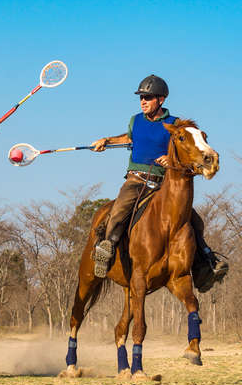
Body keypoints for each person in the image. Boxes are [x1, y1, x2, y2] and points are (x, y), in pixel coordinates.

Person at [91, 74, 228, 292]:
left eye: (148, 97)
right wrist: (106, 141)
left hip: (164, 182)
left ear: (161, 100)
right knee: (118, 210)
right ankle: (106, 252)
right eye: (141, 97)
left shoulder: (174, 124)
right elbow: (129, 138)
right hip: (137, 178)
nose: (143, 101)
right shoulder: (135, 120)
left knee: (195, 221)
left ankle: (206, 264)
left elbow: (182, 149)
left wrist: (168, 158)